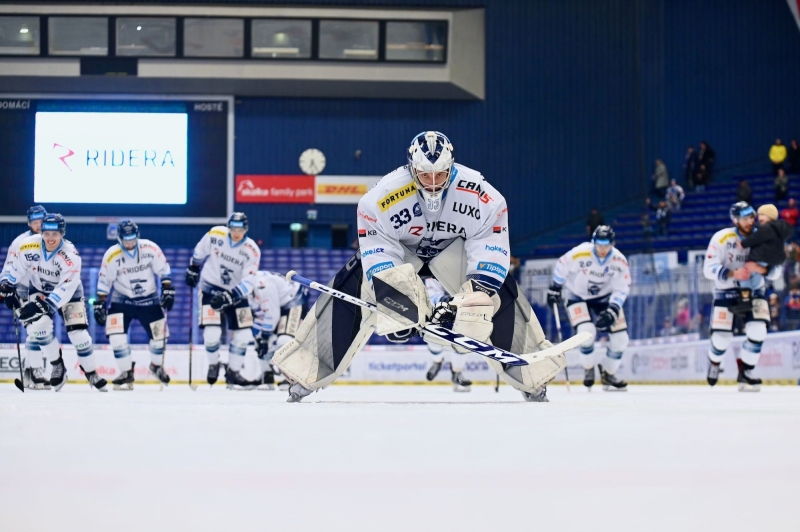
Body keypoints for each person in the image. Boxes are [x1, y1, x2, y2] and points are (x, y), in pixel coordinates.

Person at [273, 131, 562, 403]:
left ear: (452, 168)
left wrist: (475, 297)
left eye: (441, 175)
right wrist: (396, 305)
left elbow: (489, 245)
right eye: (425, 175)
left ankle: (534, 376)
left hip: (454, 251)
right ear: (412, 169)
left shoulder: (483, 194)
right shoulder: (379, 198)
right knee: (354, 276)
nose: (433, 183)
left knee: (495, 295)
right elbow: (379, 252)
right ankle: (305, 370)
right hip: (402, 254)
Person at [0, 214, 107, 391]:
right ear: (42, 232)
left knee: (78, 335)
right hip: (39, 289)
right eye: (47, 234)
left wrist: (44, 305)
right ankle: (58, 365)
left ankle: (91, 372)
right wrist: (7, 286)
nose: (50, 238)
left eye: (55, 234)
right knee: (37, 328)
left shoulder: (71, 255)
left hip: (70, 293)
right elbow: (16, 269)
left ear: (62, 234)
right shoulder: (28, 245)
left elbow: (67, 287)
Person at [702, 202, 783, 392]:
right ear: (735, 220)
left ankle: (746, 371)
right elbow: (708, 269)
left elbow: (777, 271)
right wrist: (733, 274)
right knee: (721, 338)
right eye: (745, 218)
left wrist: (762, 269)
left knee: (758, 331)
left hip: (755, 292)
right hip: (726, 292)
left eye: (752, 217)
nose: (750, 221)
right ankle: (714, 362)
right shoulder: (721, 238)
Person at [547, 226, 631, 391]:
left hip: (606, 298)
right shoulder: (580, 253)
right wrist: (555, 287)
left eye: (606, 245)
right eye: (599, 244)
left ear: (612, 244)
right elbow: (562, 264)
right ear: (593, 242)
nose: (602, 249)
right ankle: (588, 369)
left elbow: (623, 287)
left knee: (621, 339)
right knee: (586, 331)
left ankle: (609, 374)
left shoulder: (619, 261)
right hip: (576, 295)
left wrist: (613, 308)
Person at [93, 220, 174, 390]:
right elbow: (104, 281)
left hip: (149, 299)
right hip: (121, 300)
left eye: (132, 239)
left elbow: (164, 270)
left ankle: (156, 367)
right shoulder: (111, 255)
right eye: (126, 239)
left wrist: (168, 289)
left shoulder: (150, 248)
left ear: (137, 236)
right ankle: (126, 372)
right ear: (119, 238)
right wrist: (100, 303)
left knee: (159, 338)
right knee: (116, 337)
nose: (130, 243)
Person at [185, 213, 260, 389]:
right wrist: (193, 267)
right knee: (211, 333)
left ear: (246, 229)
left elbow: (250, 280)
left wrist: (231, 295)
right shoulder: (215, 235)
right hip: (210, 288)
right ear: (228, 227)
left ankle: (233, 372)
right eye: (233, 228)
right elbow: (199, 250)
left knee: (244, 335)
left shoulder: (252, 250)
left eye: (240, 229)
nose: (236, 232)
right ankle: (213, 364)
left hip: (236, 293)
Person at [0, 205, 47, 389]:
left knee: (39, 330)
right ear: (29, 223)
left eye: (41, 222)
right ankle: (34, 372)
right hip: (22, 291)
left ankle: (29, 371)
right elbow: (7, 269)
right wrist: (5, 288)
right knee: (35, 328)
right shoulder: (19, 242)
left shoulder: (53, 241)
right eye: (35, 222)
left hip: (42, 293)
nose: (38, 225)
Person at [249, 270, 308, 390]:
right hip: (277, 304)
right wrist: (261, 338)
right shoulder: (249, 283)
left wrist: (265, 337)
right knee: (260, 339)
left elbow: (272, 314)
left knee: (284, 340)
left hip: (294, 300)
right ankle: (266, 375)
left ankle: (293, 378)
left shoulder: (263, 284)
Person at [423, 278, 471, 392]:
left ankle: (457, 373)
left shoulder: (465, 267)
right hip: (439, 310)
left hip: (462, 310)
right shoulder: (435, 265)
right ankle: (437, 362)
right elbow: (431, 294)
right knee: (433, 337)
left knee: (462, 340)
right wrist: (444, 300)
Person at [738, 204, 793, 290]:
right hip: (775, 258)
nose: (759, 217)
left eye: (763, 215)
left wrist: (743, 244)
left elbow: (755, 238)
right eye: (759, 215)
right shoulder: (777, 229)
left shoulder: (766, 228)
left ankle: (747, 290)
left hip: (763, 259)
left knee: (748, 271)